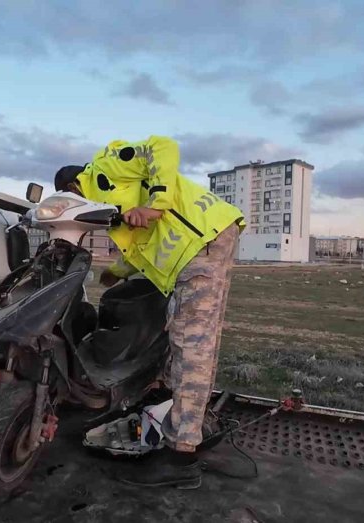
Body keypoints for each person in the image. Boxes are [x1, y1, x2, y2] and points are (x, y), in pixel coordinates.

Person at [54, 136, 244, 489]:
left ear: (72, 187)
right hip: (203, 242)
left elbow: (162, 146)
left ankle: (180, 457)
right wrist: (120, 272)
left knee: (192, 346)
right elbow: (145, 242)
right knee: (192, 339)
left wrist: (157, 203)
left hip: (200, 240)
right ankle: (173, 408)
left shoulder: (105, 167)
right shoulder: (111, 212)